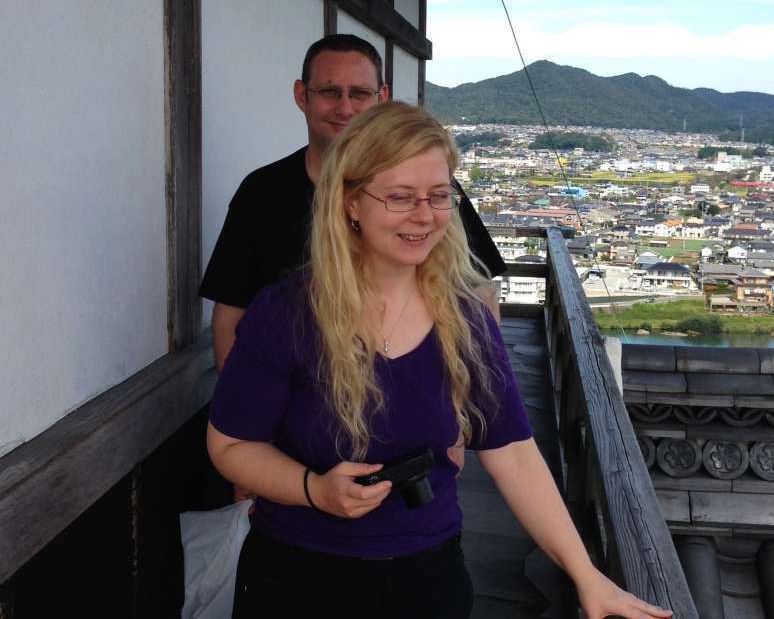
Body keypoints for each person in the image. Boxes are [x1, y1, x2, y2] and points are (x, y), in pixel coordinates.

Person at [207, 103, 672, 619]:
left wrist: (586, 575)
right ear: (349, 202)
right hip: (297, 574)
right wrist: (313, 490)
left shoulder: (464, 318)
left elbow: (513, 451)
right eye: (400, 197)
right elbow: (230, 445)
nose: (424, 216)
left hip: (427, 572)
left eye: (438, 196)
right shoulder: (287, 312)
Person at [199, 34, 505, 370]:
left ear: (381, 97)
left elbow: (480, 290)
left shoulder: (430, 193)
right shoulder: (261, 193)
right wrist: (238, 405)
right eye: (330, 92)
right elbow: (231, 313)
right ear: (302, 96)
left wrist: (478, 382)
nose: (345, 107)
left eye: (359, 93)